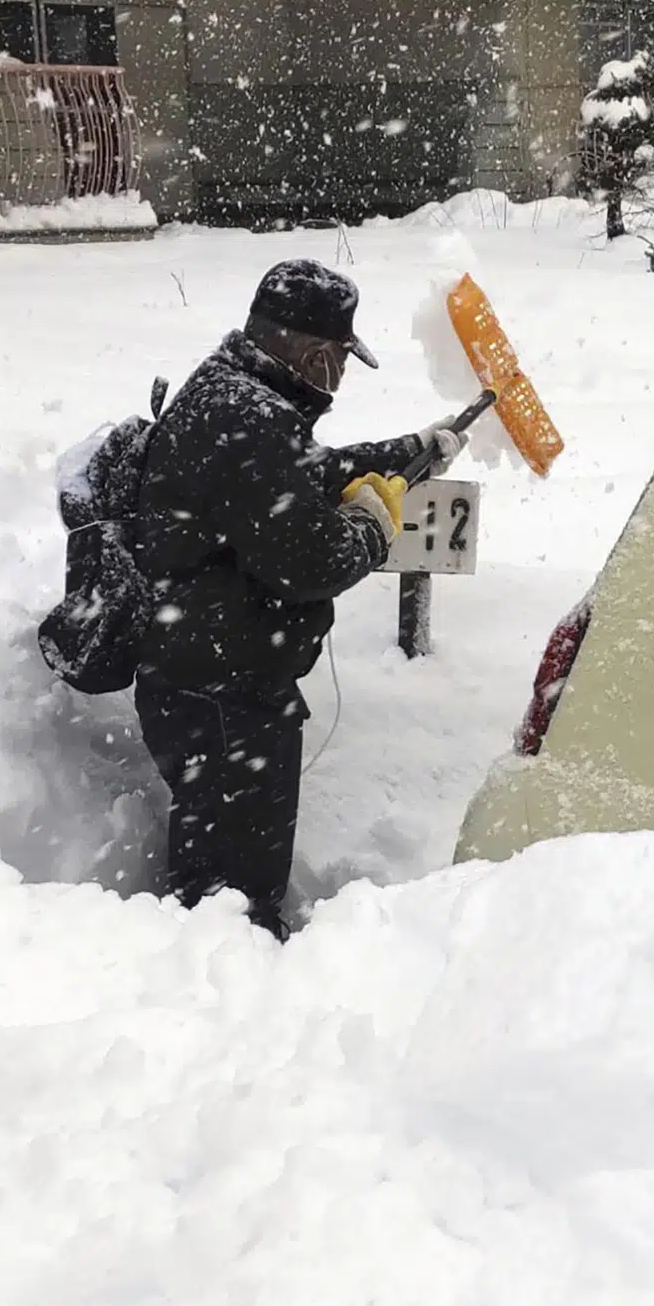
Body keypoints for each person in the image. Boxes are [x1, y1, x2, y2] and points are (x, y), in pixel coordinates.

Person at [133, 259, 467, 935]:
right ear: (314, 353)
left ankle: (214, 973)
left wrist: (411, 450)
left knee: (215, 880)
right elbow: (313, 562)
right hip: (226, 698)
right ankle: (232, 993)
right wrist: (373, 528)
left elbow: (302, 476)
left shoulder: (234, 397)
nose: (340, 378)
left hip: (205, 679)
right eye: (341, 359)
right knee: (232, 901)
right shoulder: (251, 422)